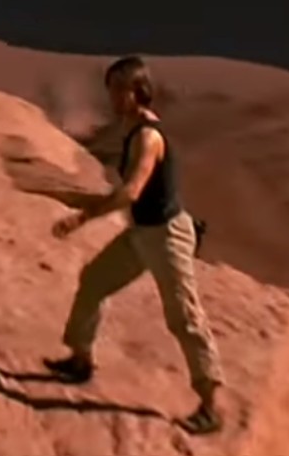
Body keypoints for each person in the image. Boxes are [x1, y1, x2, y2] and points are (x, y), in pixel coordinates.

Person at [46, 55, 226, 435]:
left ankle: (212, 407)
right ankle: (80, 360)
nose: (112, 96)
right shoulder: (131, 129)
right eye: (110, 88)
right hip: (143, 233)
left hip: (166, 236)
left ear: (137, 90)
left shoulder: (147, 136)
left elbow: (131, 191)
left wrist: (81, 218)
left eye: (118, 89)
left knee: (184, 316)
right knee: (93, 280)